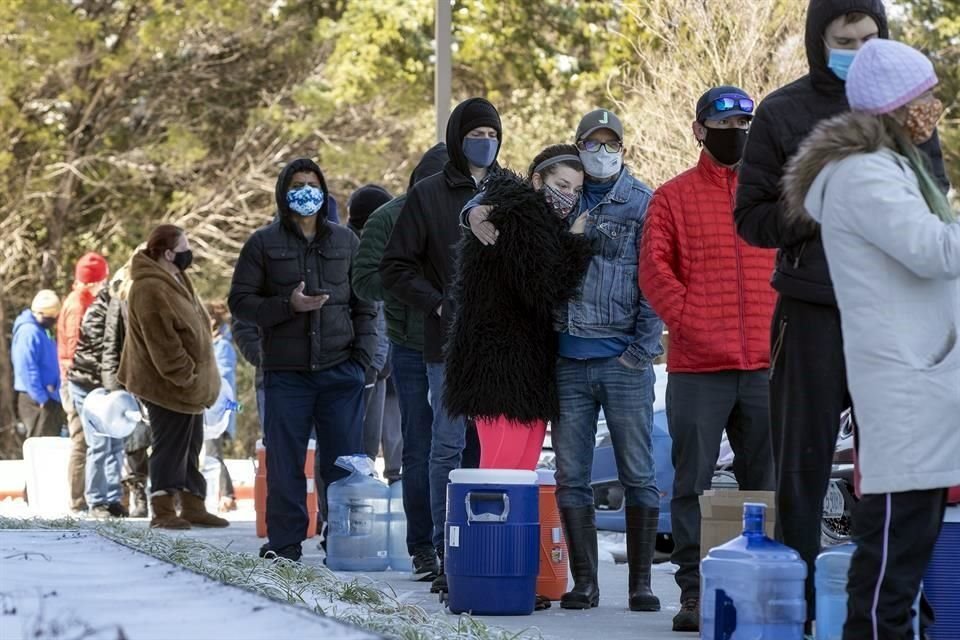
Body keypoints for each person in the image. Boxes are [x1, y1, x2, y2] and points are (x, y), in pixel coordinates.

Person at [733, 0, 950, 624]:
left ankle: (897, 607)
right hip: (811, 313)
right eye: (843, 38)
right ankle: (795, 608)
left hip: (893, 319)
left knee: (898, 467)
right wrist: (826, 200)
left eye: (869, 36)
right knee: (802, 467)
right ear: (817, 39)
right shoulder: (781, 111)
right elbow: (751, 220)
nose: (857, 47)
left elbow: (929, 207)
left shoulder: (907, 108)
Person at [781, 39, 959, 640]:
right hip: (906, 384)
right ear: (894, 108)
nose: (933, 107)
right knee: (891, 553)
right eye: (924, 98)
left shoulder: (894, 167)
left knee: (907, 548)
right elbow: (934, 251)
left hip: (923, 379)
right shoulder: (864, 175)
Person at [464, 109, 664, 613]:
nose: (601, 153)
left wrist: (640, 351)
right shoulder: (552, 202)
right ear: (576, 149)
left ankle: (640, 584)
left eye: (610, 144)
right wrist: (473, 208)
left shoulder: (641, 202)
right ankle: (585, 584)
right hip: (565, 362)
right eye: (591, 145)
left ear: (622, 147)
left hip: (621, 359)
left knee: (638, 472)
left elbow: (654, 278)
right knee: (571, 476)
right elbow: (502, 198)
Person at [639, 86, 777, 632]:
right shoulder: (672, 197)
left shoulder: (770, 197)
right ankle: (695, 593)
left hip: (766, 364)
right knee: (693, 482)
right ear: (699, 129)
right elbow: (654, 272)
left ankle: (761, 586)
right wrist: (695, 321)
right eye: (724, 123)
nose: (736, 131)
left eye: (745, 122)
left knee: (761, 482)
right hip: (699, 367)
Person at [380, 97, 503, 593]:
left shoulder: (508, 189)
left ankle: (488, 542)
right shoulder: (428, 194)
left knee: (494, 449)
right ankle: (441, 547)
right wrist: (436, 303)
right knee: (446, 447)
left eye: (493, 134)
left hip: (502, 344)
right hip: (446, 344)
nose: (486, 142)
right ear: (457, 138)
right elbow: (394, 267)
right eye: (476, 134)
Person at [229, 158, 376, 562]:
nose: (306, 191)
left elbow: (366, 304)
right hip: (286, 374)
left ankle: (344, 543)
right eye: (298, 184)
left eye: (313, 183)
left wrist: (362, 361)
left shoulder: (347, 242)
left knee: (343, 466)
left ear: (324, 190)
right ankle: (285, 544)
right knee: (285, 464)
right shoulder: (262, 243)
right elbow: (239, 302)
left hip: (339, 372)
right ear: (283, 191)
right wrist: (286, 306)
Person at [445, 144, 593, 471]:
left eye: (577, 189)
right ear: (539, 181)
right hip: (502, 368)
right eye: (563, 186)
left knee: (520, 473)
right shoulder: (518, 218)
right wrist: (577, 244)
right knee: (502, 473)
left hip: (525, 369)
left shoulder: (538, 220)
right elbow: (545, 288)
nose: (569, 196)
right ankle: (485, 526)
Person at [352, 143, 448, 582]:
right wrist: (412, 287)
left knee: (464, 446)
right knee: (419, 444)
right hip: (410, 343)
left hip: (461, 344)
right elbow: (365, 280)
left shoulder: (474, 208)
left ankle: (456, 540)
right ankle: (423, 547)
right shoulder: (388, 217)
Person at [119, 224, 228, 530]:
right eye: (184, 248)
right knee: (170, 446)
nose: (188, 254)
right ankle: (163, 509)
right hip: (166, 385)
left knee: (191, 444)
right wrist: (187, 376)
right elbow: (163, 342)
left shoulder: (176, 277)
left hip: (190, 387)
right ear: (168, 253)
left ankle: (193, 504)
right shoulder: (148, 287)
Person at [346, 184, 401, 482]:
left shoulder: (379, 250)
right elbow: (373, 315)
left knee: (367, 448)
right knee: (357, 449)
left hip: (380, 366)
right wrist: (375, 362)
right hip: (365, 364)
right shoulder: (358, 253)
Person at [68, 283, 127, 518]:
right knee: (99, 443)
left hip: (109, 385)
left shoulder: (119, 310)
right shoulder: (100, 311)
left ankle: (113, 497)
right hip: (88, 384)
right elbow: (103, 354)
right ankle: (96, 499)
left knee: (116, 442)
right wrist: (112, 386)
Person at [58, 252, 109, 513]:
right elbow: (77, 348)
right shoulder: (79, 305)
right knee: (82, 439)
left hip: (75, 378)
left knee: (85, 438)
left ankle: (82, 497)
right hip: (76, 381)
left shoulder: (82, 300)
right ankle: (78, 499)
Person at [101, 257, 150, 518]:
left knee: (166, 439)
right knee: (136, 437)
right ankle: (137, 488)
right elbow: (111, 344)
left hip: (161, 377)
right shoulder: (121, 296)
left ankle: (171, 494)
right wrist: (112, 387)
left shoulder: (163, 290)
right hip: (131, 378)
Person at [12, 290, 63, 439]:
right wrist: (41, 397)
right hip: (36, 399)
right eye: (51, 317)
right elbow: (26, 368)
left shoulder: (44, 330)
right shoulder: (28, 332)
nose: (53, 320)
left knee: (51, 442)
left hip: (51, 396)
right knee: (41, 445)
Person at [205, 300, 238, 513]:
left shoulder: (222, 346)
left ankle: (227, 495)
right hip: (208, 407)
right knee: (210, 452)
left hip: (216, 408)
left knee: (213, 452)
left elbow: (224, 377)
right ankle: (227, 494)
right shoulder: (212, 343)